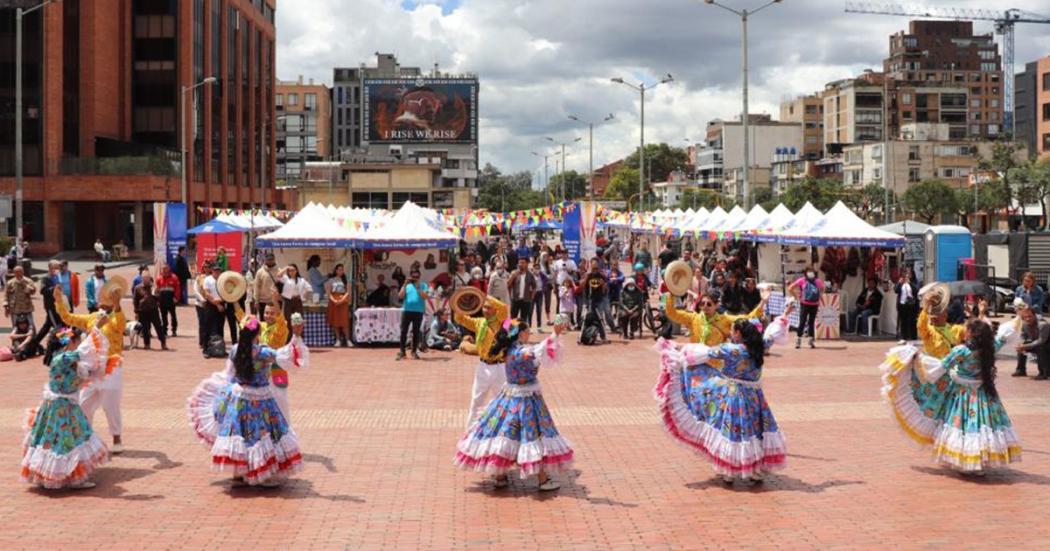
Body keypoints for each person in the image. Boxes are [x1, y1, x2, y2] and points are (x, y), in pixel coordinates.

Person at [653, 314, 791, 483]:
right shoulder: (760, 345)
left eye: (732, 330)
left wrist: (675, 347)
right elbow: (772, 334)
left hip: (735, 397)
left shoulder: (732, 350)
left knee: (733, 430)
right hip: (755, 397)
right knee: (755, 430)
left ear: (739, 333)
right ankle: (756, 470)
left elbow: (703, 352)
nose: (730, 333)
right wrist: (784, 316)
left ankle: (729, 470)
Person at [881, 318, 1021, 475]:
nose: (964, 331)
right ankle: (978, 462)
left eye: (966, 329)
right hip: (984, 394)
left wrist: (915, 357)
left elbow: (941, 367)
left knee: (965, 426)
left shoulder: (962, 351)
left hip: (963, 394)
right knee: (982, 425)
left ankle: (969, 462)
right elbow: (1004, 335)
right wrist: (1017, 319)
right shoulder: (991, 347)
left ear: (972, 334)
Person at [454, 318, 572, 491]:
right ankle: (543, 479)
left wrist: (509, 323)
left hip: (507, 397)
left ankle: (500, 475)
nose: (529, 334)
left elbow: (510, 326)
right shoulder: (523, 352)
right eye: (527, 331)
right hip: (527, 399)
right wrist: (555, 333)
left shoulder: (508, 351)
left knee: (504, 431)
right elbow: (541, 350)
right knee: (533, 434)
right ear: (521, 333)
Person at [187, 317, 304, 486]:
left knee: (241, 434)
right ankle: (264, 472)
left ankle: (239, 473)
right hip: (262, 399)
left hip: (239, 399)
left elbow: (229, 374)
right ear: (258, 333)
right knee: (263, 435)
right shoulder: (264, 353)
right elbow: (287, 356)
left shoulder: (235, 350)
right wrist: (296, 336)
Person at [21, 324, 112, 489]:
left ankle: (62, 475)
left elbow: (85, 361)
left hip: (62, 405)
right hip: (61, 408)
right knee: (68, 440)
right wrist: (97, 326)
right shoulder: (62, 358)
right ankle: (72, 478)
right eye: (76, 340)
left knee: (58, 439)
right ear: (69, 342)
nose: (79, 342)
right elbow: (86, 350)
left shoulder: (63, 357)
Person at [56, 285, 127, 453]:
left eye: (107, 302)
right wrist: (59, 300)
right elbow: (68, 318)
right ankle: (84, 438)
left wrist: (117, 303)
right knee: (83, 404)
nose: (103, 305)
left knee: (111, 406)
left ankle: (117, 438)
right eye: (101, 301)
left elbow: (121, 322)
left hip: (111, 369)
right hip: (90, 369)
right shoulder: (91, 318)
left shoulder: (116, 319)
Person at [455, 296, 510, 428]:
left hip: (500, 367)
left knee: (504, 401)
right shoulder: (480, 322)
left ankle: (505, 431)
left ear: (495, 309)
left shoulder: (502, 322)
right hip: (483, 367)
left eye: (488, 307)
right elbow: (460, 319)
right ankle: (470, 432)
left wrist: (483, 295)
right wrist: (458, 303)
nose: (485, 310)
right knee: (476, 400)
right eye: (484, 307)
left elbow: (504, 308)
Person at [786, 267, 824, 349]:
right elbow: (822, 289)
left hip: (805, 304)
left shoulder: (802, 280)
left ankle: (799, 341)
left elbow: (790, 288)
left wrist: (796, 296)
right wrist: (819, 296)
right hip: (812, 304)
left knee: (803, 322)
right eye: (810, 272)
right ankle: (809, 341)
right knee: (810, 322)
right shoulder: (817, 281)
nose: (811, 273)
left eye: (811, 272)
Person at [397, 269, 429, 361]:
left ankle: (414, 351)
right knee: (403, 331)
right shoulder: (407, 286)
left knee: (416, 332)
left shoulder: (423, 285)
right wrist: (404, 284)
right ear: (410, 276)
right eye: (413, 277)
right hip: (406, 311)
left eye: (417, 277)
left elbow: (425, 297)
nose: (415, 278)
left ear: (420, 276)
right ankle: (402, 352)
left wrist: (418, 287)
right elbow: (400, 296)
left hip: (418, 311)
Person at [1013, 304, 1050, 379]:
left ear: (1034, 315)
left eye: (1029, 316)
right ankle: (1021, 370)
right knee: (1021, 347)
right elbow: (1023, 335)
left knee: (1041, 347)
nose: (1027, 319)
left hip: (1046, 345)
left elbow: (1041, 340)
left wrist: (1026, 346)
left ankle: (1043, 373)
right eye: (1025, 317)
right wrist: (1021, 344)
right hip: (1036, 344)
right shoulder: (1024, 324)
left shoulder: (1043, 325)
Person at [133, 274, 167, 350]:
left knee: (158, 327)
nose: (146, 280)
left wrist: (155, 294)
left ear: (149, 279)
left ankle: (163, 343)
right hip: (142, 311)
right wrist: (136, 312)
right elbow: (135, 301)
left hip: (153, 310)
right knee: (145, 329)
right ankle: (147, 344)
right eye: (144, 279)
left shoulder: (154, 287)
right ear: (142, 279)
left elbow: (159, 299)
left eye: (147, 279)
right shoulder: (138, 288)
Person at [582, 259, 610, 342]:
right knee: (589, 318)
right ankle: (590, 333)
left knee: (600, 318)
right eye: (593, 268)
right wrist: (586, 301)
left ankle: (602, 336)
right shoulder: (589, 276)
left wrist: (603, 285)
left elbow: (606, 289)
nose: (595, 270)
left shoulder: (602, 276)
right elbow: (584, 288)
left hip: (600, 299)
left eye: (596, 268)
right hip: (591, 299)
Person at [4, 265, 36, 332]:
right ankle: (16, 341)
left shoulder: (28, 281)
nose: (18, 273)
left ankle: (33, 340)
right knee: (15, 327)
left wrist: (26, 286)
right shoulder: (10, 283)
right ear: (14, 273)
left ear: (23, 272)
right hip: (15, 308)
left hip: (27, 307)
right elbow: (6, 295)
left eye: (20, 271)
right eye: (16, 272)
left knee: (31, 325)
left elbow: (33, 291)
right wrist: (6, 307)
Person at [508, 257, 537, 326]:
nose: (521, 264)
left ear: (527, 264)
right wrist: (512, 276)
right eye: (519, 263)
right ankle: (510, 333)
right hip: (515, 299)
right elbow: (508, 284)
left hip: (526, 300)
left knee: (523, 319)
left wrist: (532, 297)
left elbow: (534, 287)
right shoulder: (514, 273)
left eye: (523, 263)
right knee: (512, 318)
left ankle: (520, 333)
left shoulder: (530, 275)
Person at [155, 264, 180, 337]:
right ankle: (164, 331)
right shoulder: (159, 279)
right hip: (162, 301)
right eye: (163, 269)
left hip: (171, 300)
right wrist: (157, 300)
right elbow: (157, 290)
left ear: (169, 269)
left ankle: (174, 330)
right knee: (163, 316)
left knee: (173, 316)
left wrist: (176, 298)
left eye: (166, 268)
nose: (164, 270)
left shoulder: (174, 278)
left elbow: (177, 289)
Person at [895, 271, 919, 342]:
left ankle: (913, 337)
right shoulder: (901, 283)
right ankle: (903, 337)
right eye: (906, 274)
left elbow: (916, 290)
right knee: (903, 321)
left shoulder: (915, 282)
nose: (907, 275)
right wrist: (899, 283)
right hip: (902, 304)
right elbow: (896, 290)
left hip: (912, 305)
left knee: (912, 321)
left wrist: (910, 283)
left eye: (909, 274)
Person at [326, 278, 351, 347]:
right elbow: (329, 292)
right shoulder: (332, 280)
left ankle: (348, 339)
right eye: (339, 269)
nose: (340, 271)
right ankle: (338, 339)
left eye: (341, 269)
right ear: (336, 270)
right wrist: (334, 300)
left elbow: (348, 291)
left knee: (344, 321)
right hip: (334, 300)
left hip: (343, 300)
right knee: (335, 321)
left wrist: (342, 299)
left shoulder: (345, 280)